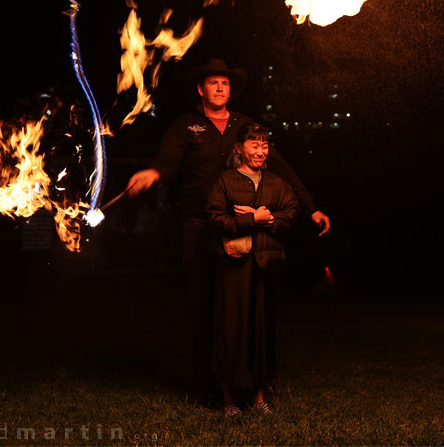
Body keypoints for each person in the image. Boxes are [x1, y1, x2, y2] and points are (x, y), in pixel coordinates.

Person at [126, 58, 329, 403]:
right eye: (214, 83)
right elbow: (168, 162)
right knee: (203, 309)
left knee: (251, 310)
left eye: (226, 83)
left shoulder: (245, 126)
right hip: (200, 228)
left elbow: (281, 167)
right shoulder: (186, 126)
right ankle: (205, 382)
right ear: (200, 90)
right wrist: (154, 174)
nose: (220, 88)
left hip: (244, 231)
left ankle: (262, 378)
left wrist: (311, 207)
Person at [206, 121, 300, 417]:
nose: (260, 150)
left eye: (264, 145)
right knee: (230, 328)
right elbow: (215, 218)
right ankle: (229, 399)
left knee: (262, 330)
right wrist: (250, 220)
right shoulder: (226, 181)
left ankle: (260, 399)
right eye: (254, 144)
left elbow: (291, 211)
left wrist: (268, 218)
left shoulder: (276, 182)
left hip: (266, 267)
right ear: (239, 148)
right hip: (234, 266)